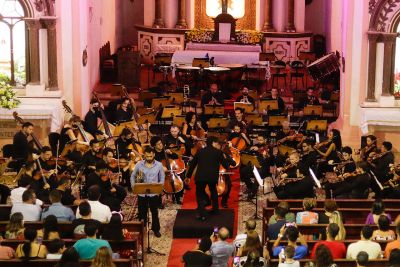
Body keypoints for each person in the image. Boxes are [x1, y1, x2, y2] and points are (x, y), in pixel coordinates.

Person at [185, 136, 235, 221]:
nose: (218, 145)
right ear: (213, 143)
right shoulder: (218, 152)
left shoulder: (200, 151)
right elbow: (226, 166)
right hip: (212, 177)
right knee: (213, 192)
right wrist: (227, 159)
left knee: (199, 194)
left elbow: (192, 165)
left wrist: (188, 176)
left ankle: (202, 214)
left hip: (200, 177)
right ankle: (215, 210)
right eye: (217, 143)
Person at [130, 146, 165, 237]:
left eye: (150, 156)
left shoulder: (159, 165)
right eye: (147, 156)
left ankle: (156, 229)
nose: (149, 158)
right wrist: (134, 186)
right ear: (144, 155)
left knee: (154, 212)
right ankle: (142, 229)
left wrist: (159, 189)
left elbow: (162, 178)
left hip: (153, 193)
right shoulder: (139, 164)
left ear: (154, 155)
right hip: (142, 193)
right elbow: (133, 176)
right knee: (142, 212)